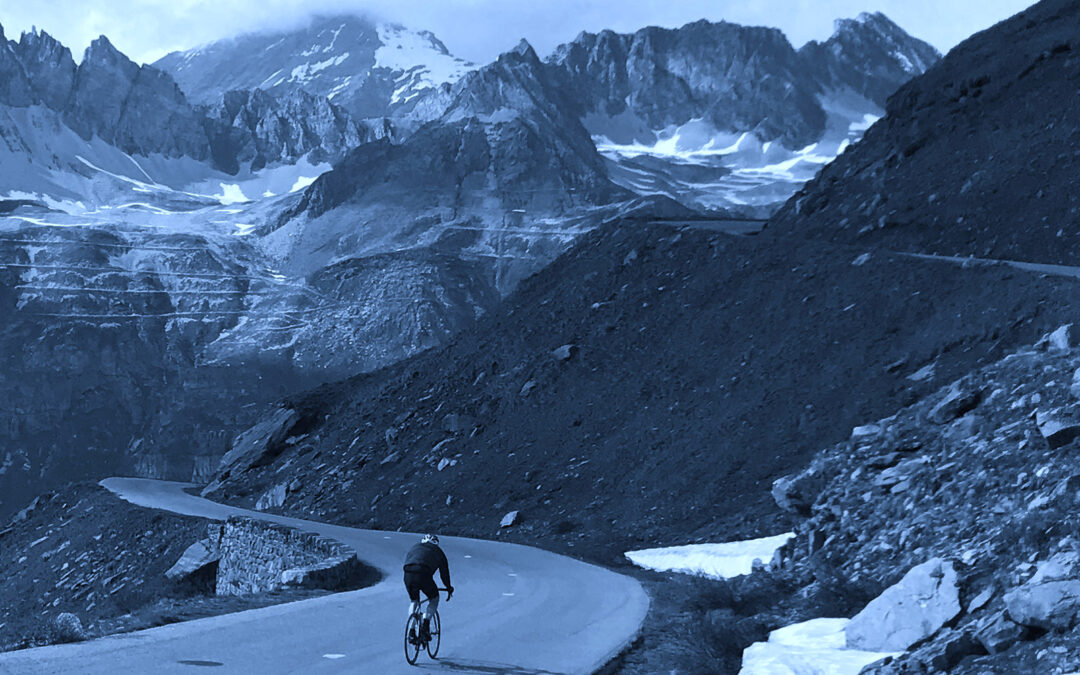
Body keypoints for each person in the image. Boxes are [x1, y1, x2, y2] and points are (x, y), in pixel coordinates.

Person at [403, 534, 453, 642]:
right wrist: (448, 587)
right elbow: (444, 573)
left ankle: (411, 632)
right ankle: (425, 625)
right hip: (423, 574)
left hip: (408, 574)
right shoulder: (438, 551)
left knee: (414, 601)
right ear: (436, 543)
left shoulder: (415, 547)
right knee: (434, 598)